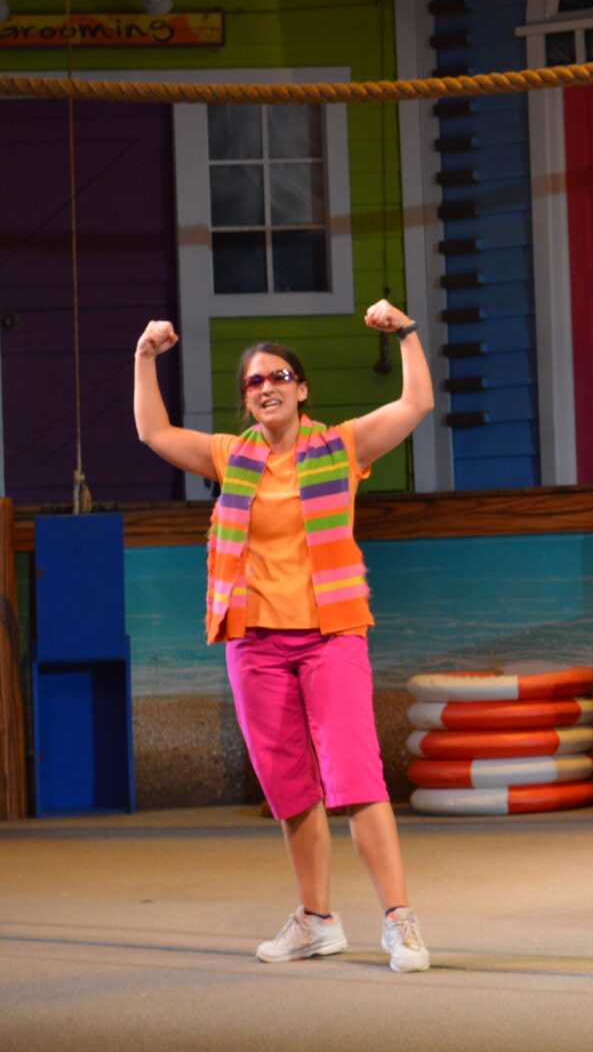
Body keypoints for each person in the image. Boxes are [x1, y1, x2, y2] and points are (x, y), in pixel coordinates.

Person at [133, 300, 435, 973]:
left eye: (279, 376)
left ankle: (399, 920)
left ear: (301, 390)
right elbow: (153, 431)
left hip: (330, 636)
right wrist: (144, 357)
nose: (266, 386)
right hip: (255, 644)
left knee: (356, 779)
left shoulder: (341, 446)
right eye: (254, 381)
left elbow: (416, 403)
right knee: (290, 788)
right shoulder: (231, 456)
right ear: (246, 399)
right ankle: (316, 921)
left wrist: (407, 332)